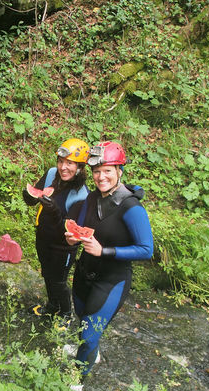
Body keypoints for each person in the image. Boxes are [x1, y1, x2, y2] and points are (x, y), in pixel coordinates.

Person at [65, 141, 153, 377]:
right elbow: (80, 228)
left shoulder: (131, 207)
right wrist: (73, 238)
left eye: (107, 171)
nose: (101, 177)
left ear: (119, 172)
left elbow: (146, 249)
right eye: (96, 171)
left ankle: (74, 387)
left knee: (88, 334)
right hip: (85, 272)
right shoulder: (92, 199)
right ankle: (93, 350)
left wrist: (104, 251)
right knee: (83, 321)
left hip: (112, 280)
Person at [23, 138, 90, 320]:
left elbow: (68, 231)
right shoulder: (52, 173)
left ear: (80, 168)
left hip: (64, 246)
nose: (63, 167)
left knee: (59, 281)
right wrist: (29, 196)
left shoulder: (82, 195)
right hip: (43, 237)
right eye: (61, 161)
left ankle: (66, 313)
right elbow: (34, 197)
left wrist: (53, 210)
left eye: (70, 163)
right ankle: (52, 306)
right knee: (46, 273)